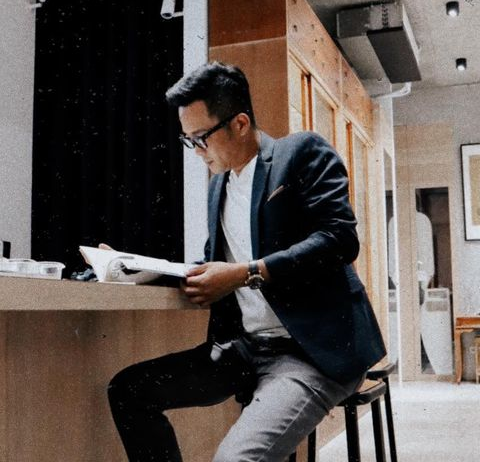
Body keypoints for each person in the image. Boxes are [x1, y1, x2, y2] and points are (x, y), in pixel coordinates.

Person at [108, 61, 386, 462]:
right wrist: (132, 267)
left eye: (201, 138)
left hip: (311, 353)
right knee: (128, 390)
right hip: (244, 350)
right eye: (188, 140)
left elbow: (338, 240)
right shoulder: (218, 186)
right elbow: (215, 263)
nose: (196, 151)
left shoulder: (300, 153)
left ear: (240, 123)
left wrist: (245, 273)